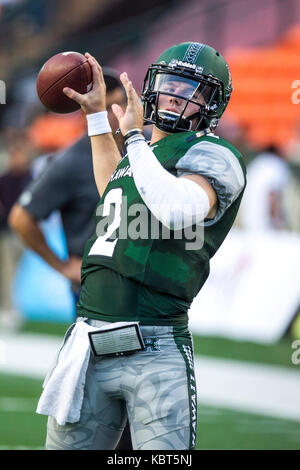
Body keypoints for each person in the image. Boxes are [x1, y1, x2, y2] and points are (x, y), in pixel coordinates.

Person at [36, 42, 246, 450]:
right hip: (89, 342)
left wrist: (132, 135)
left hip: (155, 345)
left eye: (192, 90)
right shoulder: (142, 154)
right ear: (152, 85)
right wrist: (97, 117)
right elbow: (114, 188)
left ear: (212, 105)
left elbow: (177, 208)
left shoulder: (214, 154)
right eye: (171, 84)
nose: (176, 96)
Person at [9, 69, 133, 450]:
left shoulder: (138, 150)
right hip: (95, 292)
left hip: (140, 287)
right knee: (109, 386)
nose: (123, 110)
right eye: (113, 103)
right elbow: (21, 218)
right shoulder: (72, 160)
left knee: (140, 389)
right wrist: (62, 265)